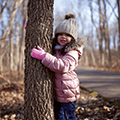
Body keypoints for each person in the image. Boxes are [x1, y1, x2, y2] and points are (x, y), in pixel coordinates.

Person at [31, 13, 86, 120]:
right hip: (58, 93)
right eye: (60, 34)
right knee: (58, 116)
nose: (63, 37)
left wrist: (44, 56)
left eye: (67, 35)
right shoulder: (57, 48)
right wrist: (31, 28)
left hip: (68, 94)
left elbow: (62, 66)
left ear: (73, 38)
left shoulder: (73, 52)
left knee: (69, 116)